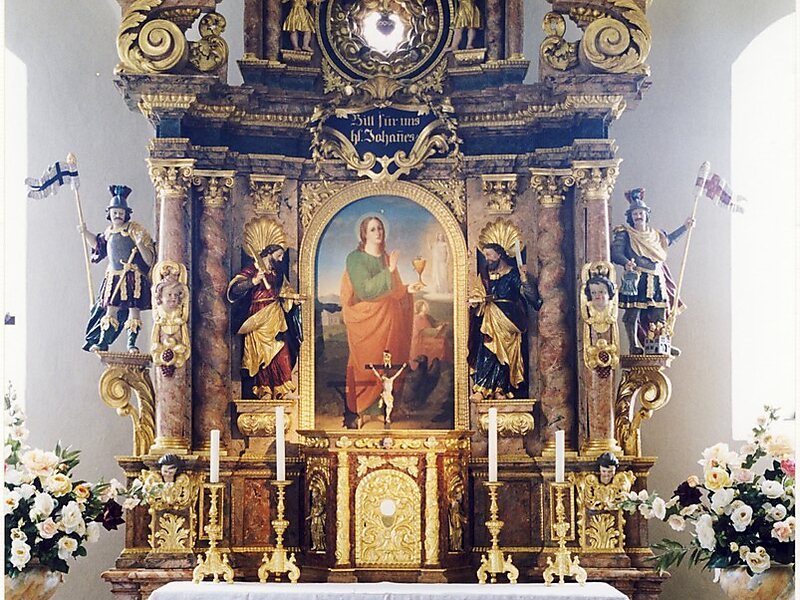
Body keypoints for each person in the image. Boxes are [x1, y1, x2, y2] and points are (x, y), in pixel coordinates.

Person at [340, 216, 423, 428]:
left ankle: (383, 410)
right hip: (366, 320)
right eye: (373, 229)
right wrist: (390, 270)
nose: (378, 232)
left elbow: (394, 290)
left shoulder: (386, 258)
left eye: (380, 228)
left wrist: (407, 290)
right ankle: (362, 410)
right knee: (366, 362)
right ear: (364, 234)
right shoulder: (355, 259)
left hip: (389, 321)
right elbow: (365, 290)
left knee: (388, 363)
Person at [611, 188, 694, 355]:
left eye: (641, 213)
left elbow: (669, 240)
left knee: (659, 311)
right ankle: (633, 345)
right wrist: (626, 262)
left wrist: (685, 227)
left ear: (646, 214)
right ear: (630, 216)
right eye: (635, 214)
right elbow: (616, 252)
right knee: (633, 311)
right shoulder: (625, 233)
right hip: (637, 277)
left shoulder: (656, 235)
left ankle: (661, 342)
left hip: (656, 277)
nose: (638, 216)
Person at [81, 185, 155, 353]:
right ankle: (103, 341)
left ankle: (131, 344)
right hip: (113, 277)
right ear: (109, 213)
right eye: (115, 212)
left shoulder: (134, 229)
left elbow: (149, 258)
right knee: (110, 309)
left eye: (121, 212)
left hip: (132, 276)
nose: (118, 215)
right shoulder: (109, 231)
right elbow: (98, 246)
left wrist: (139, 244)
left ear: (126, 213)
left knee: (133, 311)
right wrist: (85, 232)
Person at [227, 244, 303, 399]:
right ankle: (264, 389)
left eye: (282, 256)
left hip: (275, 314)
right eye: (279, 255)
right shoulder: (253, 269)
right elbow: (235, 289)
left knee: (281, 349)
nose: (281, 259)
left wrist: (294, 298)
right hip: (258, 314)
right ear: (269, 253)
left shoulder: (277, 273)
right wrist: (253, 281)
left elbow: (285, 292)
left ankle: (281, 389)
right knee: (261, 354)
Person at [468, 243, 541, 400]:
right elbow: (477, 292)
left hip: (509, 319)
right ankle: (482, 389)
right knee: (488, 351)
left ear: (499, 255)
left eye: (489, 255)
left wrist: (524, 278)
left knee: (505, 356)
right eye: (485, 255)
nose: (487, 259)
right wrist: (475, 301)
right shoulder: (484, 275)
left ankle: (502, 389)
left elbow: (531, 297)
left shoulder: (512, 274)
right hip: (489, 318)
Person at [368, 362, 407, 428]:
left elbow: (397, 374)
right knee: (389, 406)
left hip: (389, 395)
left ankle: (387, 417)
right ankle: (387, 417)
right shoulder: (383, 381)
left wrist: (403, 367)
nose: (382, 377)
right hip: (385, 394)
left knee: (390, 406)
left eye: (383, 376)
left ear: (385, 376)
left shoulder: (390, 380)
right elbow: (377, 374)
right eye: (382, 377)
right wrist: (372, 368)